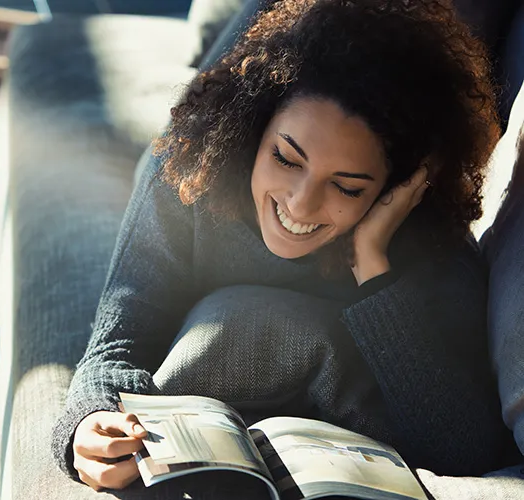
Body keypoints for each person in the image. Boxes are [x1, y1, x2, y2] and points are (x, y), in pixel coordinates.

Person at [51, 0, 514, 494]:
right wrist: (86, 424)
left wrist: (375, 268)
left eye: (348, 187)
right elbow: (116, 344)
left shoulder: (428, 244)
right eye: (287, 158)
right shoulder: (187, 179)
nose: (301, 203)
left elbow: (467, 450)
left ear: (399, 188)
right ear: (257, 127)